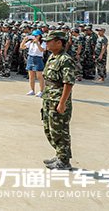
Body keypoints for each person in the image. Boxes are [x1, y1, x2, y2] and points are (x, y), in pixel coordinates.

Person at [41, 30, 76, 170]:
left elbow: (68, 83)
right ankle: (60, 155)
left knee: (60, 131)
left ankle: (64, 161)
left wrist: (62, 103)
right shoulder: (52, 57)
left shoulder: (65, 59)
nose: (47, 43)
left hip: (58, 100)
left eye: (49, 41)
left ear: (59, 42)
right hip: (49, 98)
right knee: (49, 129)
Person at [20, 30, 46, 97]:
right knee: (31, 76)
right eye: (34, 36)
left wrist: (37, 43)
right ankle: (32, 90)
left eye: (36, 36)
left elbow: (42, 50)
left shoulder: (43, 42)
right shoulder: (30, 42)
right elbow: (22, 47)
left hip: (38, 58)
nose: (34, 37)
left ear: (40, 36)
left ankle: (41, 91)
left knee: (39, 76)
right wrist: (24, 40)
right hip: (30, 58)